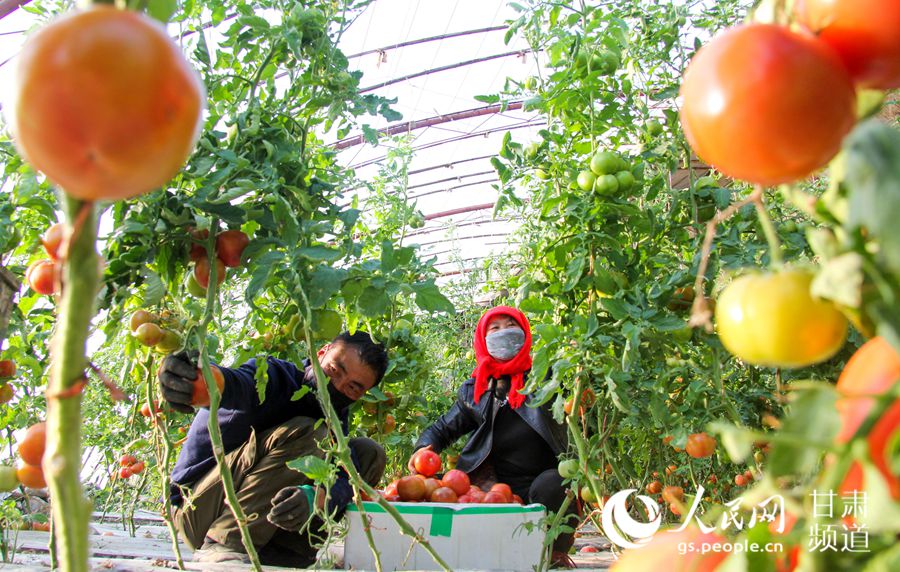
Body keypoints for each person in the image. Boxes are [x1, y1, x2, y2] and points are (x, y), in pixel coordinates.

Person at [157, 331, 388, 567]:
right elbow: (236, 385)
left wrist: (315, 499)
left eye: (353, 388)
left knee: (368, 453)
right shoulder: (274, 377)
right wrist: (199, 378)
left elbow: (346, 474)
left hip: (258, 521)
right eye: (334, 370)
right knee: (310, 432)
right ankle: (226, 544)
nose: (337, 386)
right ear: (321, 354)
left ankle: (286, 552)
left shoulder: (336, 416)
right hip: (196, 509)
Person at [408, 306, 578, 568]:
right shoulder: (475, 389)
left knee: (556, 484)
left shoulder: (547, 377)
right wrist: (422, 450)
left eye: (510, 325)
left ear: (525, 332)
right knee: (435, 492)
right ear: (482, 339)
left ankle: (553, 552)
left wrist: (578, 361)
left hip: (539, 485)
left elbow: (579, 394)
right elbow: (442, 429)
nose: (503, 333)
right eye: (494, 329)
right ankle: (443, 550)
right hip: (489, 487)